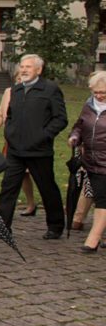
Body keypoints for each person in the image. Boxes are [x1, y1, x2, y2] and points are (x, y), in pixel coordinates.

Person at [0, 54, 68, 239]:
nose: (24, 70)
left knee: (47, 187)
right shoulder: (16, 90)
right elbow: (9, 115)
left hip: (39, 150)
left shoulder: (50, 90)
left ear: (39, 70)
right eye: (22, 66)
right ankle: (2, 226)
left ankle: (55, 225)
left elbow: (60, 119)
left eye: (29, 67)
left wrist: (43, 135)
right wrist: (10, 132)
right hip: (15, 149)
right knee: (8, 187)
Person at [0, 70, 37, 217]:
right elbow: (0, 114)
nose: (20, 80)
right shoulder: (9, 92)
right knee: (16, 175)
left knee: (38, 175)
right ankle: (25, 205)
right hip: (13, 141)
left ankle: (46, 209)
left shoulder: (36, 92)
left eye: (23, 78)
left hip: (32, 141)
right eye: (18, 78)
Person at [67, 71, 106, 253]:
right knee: (100, 197)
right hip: (91, 160)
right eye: (96, 92)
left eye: (103, 92)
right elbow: (79, 126)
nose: (99, 95)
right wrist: (75, 136)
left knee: (102, 201)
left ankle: (93, 239)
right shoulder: (89, 106)